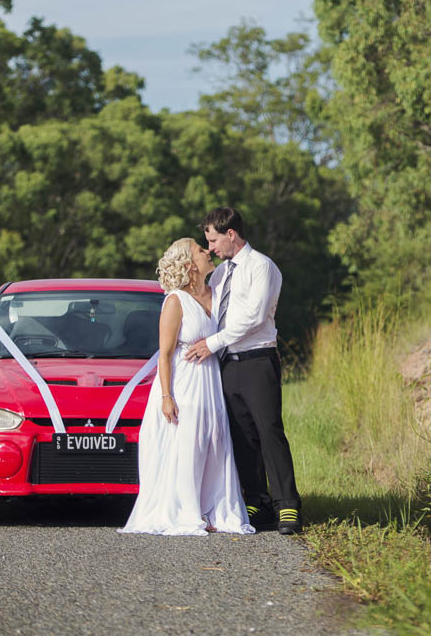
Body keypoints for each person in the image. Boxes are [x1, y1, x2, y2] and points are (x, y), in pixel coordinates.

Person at [119, 237, 254, 537]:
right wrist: (167, 396)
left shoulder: (215, 293)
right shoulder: (175, 301)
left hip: (210, 382)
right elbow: (164, 354)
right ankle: (188, 511)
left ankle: (214, 509)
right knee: (189, 446)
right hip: (184, 383)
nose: (208, 251)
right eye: (199, 249)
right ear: (189, 264)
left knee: (215, 443)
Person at [183, 207, 301, 535]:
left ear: (231, 234)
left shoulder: (261, 267)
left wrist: (212, 342)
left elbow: (253, 317)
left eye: (213, 239)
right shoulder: (220, 275)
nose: (211, 248)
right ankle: (257, 499)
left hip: (257, 360)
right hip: (226, 364)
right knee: (241, 433)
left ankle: (287, 504)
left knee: (269, 430)